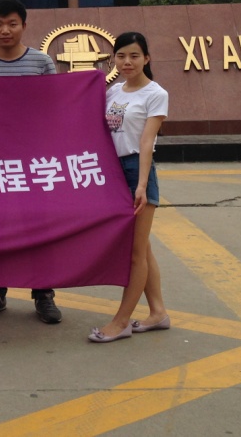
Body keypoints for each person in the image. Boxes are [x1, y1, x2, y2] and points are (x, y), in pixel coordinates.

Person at [0, 0, 62, 324]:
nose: (5, 30)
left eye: (12, 24)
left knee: (38, 226)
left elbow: (55, 106)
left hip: (34, 162)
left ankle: (44, 293)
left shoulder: (41, 62)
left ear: (24, 25)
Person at [88, 31, 170, 343]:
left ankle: (121, 322)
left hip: (137, 169)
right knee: (142, 247)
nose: (127, 62)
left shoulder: (155, 94)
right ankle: (158, 312)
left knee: (135, 253)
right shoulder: (113, 91)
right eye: (121, 56)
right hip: (113, 170)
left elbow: (147, 142)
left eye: (134, 56)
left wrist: (142, 185)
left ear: (146, 58)